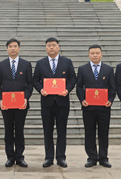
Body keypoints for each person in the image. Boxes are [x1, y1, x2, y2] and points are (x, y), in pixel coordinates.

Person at [33, 37, 76, 168]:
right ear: (46, 48)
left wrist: (67, 90)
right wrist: (41, 89)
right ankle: (48, 157)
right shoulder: (40, 63)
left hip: (62, 102)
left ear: (58, 47)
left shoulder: (67, 62)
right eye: (49, 45)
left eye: (53, 45)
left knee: (62, 130)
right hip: (47, 103)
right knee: (48, 131)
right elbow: (35, 80)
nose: (51, 47)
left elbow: (73, 79)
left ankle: (61, 157)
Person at [76, 44, 116, 168]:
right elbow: (79, 86)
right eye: (92, 53)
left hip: (104, 107)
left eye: (97, 53)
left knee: (104, 133)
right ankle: (92, 158)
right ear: (89, 54)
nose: (95, 55)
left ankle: (103, 158)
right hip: (88, 107)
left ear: (101, 54)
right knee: (89, 132)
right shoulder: (82, 69)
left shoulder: (108, 69)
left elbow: (113, 87)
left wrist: (110, 100)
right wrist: (82, 99)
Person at [0, 39, 33, 168]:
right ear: (7, 49)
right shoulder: (1, 65)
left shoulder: (26, 64)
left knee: (19, 130)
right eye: (10, 46)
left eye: (15, 46)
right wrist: (0, 99)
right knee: (8, 130)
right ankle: (10, 157)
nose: (12, 48)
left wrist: (26, 98)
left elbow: (30, 84)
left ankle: (20, 157)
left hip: (21, 104)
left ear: (19, 48)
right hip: (6, 104)